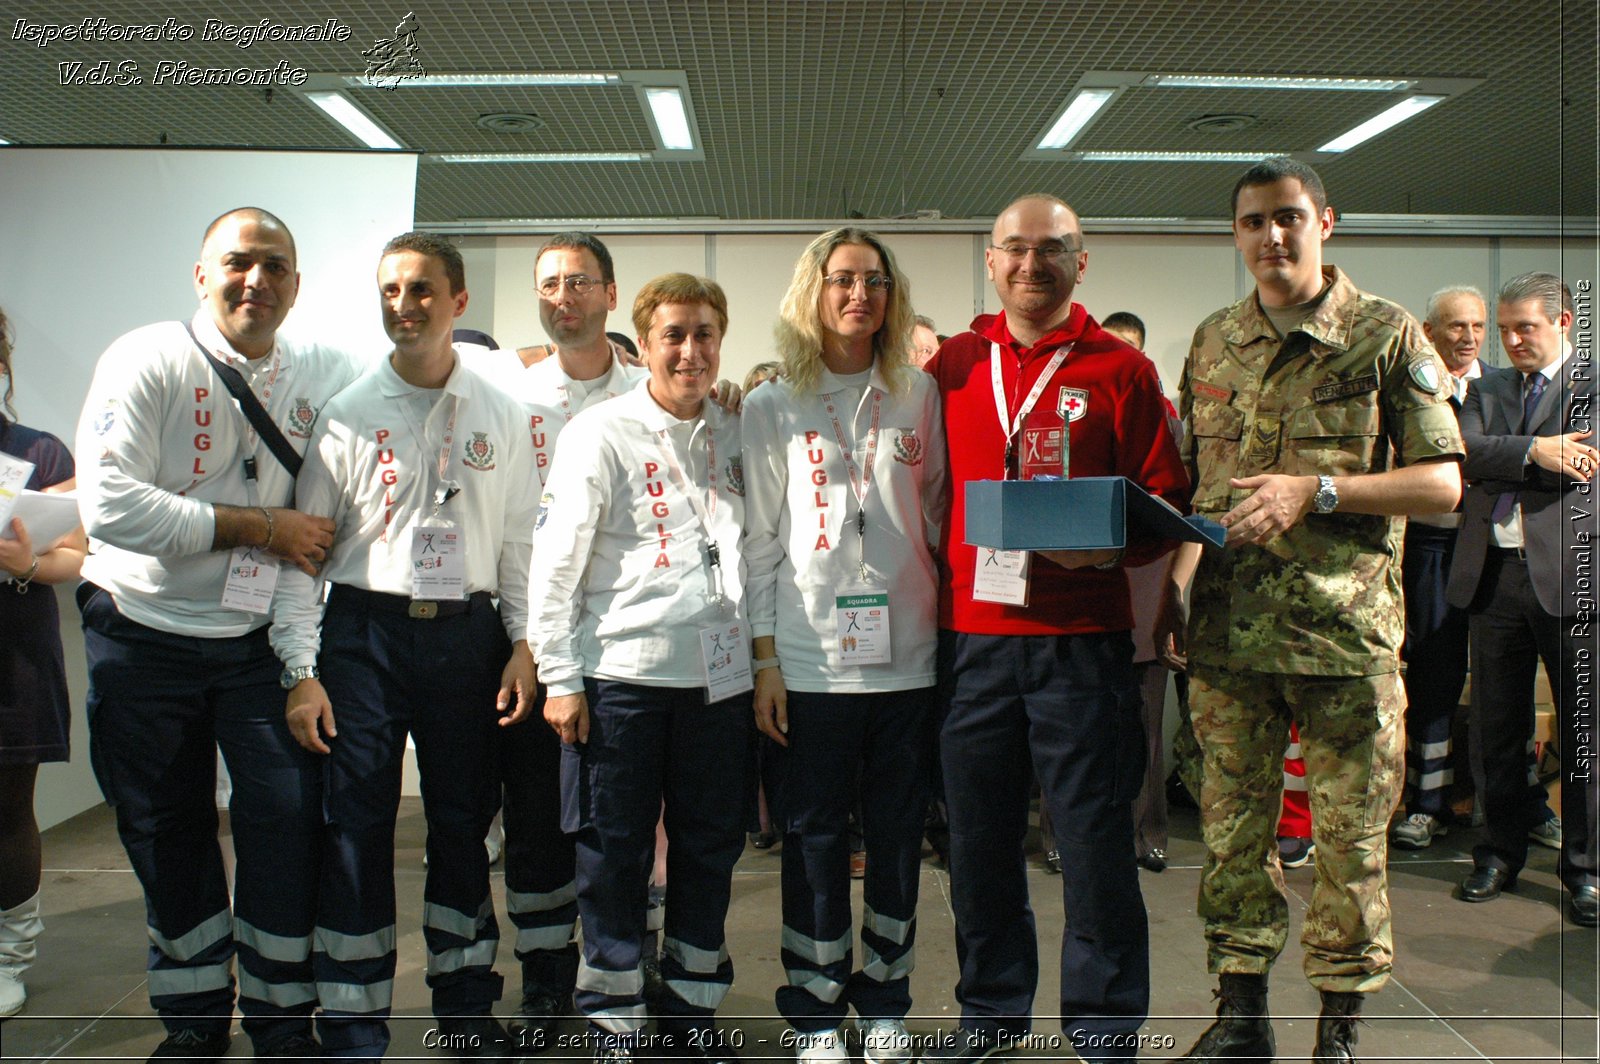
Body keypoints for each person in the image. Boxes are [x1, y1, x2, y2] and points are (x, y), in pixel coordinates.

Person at [1166, 158, 1462, 1063]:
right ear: (1236, 234)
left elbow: (1444, 484)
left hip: (1344, 639)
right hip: (1228, 638)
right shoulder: (1215, 341)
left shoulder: (1385, 335)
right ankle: (1241, 1014)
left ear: (1325, 222)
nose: (1272, 238)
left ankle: (1338, 1030)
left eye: (1288, 218)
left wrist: (1319, 490)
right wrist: (1176, 589)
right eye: (1253, 223)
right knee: (1233, 837)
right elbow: (1198, 490)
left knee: (1348, 846)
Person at [74, 207, 360, 1061]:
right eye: (237, 263)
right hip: (141, 633)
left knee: (284, 826)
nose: (256, 281)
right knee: (165, 829)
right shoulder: (144, 358)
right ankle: (194, 1021)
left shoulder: (327, 369)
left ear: (297, 285)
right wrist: (259, 528)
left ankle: (279, 1023)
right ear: (202, 275)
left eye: (276, 266)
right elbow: (110, 506)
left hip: (257, 648)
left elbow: (423, 380)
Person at [923, 194, 1188, 1064]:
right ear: (991, 262)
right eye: (1015, 250)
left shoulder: (1122, 370)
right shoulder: (954, 364)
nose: (1031, 265)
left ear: (1082, 261)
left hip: (1082, 644)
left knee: (1093, 845)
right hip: (973, 643)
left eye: (1052, 250)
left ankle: (1105, 1028)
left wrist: (1106, 554)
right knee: (980, 845)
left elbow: (1168, 504)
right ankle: (991, 1016)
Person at [278, 232, 539, 1059]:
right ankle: (355, 1021)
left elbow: (522, 543)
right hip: (365, 636)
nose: (404, 306)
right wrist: (301, 668)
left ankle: (464, 1010)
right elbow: (306, 551)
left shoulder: (504, 411)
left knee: (462, 823)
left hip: (467, 637)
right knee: (357, 824)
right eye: (391, 290)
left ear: (458, 302)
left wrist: (526, 644)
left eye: (421, 290)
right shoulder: (348, 414)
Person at [530, 273, 750, 1063]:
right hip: (621, 680)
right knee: (614, 852)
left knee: (708, 849)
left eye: (704, 334)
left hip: (718, 686)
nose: (690, 351)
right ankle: (612, 1015)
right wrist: (559, 676)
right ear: (645, 341)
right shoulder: (601, 432)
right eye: (673, 335)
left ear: (722, 339)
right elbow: (555, 567)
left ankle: (692, 1006)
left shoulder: (736, 428)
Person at [742, 228, 946, 1063]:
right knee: (817, 840)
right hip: (811, 660)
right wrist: (764, 660)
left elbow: (936, 516)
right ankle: (817, 1010)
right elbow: (758, 541)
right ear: (813, 291)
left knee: (898, 841)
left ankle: (886, 1002)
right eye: (841, 280)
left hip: (910, 658)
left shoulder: (919, 394)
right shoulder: (771, 404)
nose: (858, 295)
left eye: (873, 281)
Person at [461, 232, 644, 1044]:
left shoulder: (650, 392)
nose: (562, 296)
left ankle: (627, 973)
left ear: (609, 292)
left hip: (628, 646)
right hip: (531, 645)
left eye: (579, 282)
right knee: (535, 819)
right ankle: (543, 979)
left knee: (619, 829)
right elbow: (503, 532)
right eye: (548, 284)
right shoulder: (509, 399)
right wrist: (526, 639)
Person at [1445, 271, 1599, 926]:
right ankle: (1498, 852)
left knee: (1583, 733)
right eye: (1503, 329)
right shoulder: (1488, 386)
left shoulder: (1591, 385)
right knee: (1496, 726)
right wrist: (1537, 448)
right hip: (1494, 574)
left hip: (1570, 579)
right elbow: (1466, 451)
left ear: (1564, 323)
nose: (1509, 341)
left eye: (1524, 328)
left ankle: (1585, 870)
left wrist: (1510, 455)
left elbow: (1585, 458)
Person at [0, 307, 87, 1019]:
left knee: (5, 812)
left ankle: (6, 958)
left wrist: (27, 559)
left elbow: (75, 558)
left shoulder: (39, 452)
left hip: (12, 660)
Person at [1390, 286, 1486, 849]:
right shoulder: (1411, 386)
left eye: (1476, 326)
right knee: (1434, 674)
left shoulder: (1500, 386)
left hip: (1490, 550)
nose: (1468, 337)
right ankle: (1426, 802)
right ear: (1429, 332)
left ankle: (1503, 800)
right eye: (1455, 326)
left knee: (1500, 683)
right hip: (1428, 547)